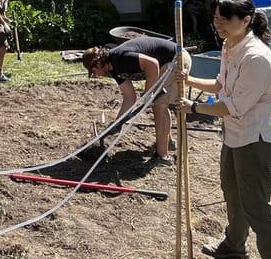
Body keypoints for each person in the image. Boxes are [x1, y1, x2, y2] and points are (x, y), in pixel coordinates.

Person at [178, 0, 271, 259]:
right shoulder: (231, 47)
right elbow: (220, 86)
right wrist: (190, 80)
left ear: (247, 20)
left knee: (258, 208)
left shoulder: (256, 57)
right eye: (216, 19)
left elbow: (233, 106)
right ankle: (234, 244)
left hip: (257, 140)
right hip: (235, 136)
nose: (220, 25)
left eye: (226, 19)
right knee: (232, 191)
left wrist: (194, 108)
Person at [81, 35, 191, 164]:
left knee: (159, 106)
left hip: (175, 58)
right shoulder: (114, 69)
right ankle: (168, 143)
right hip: (164, 63)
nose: (96, 75)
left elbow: (152, 64)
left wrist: (148, 93)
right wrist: (118, 123)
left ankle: (163, 156)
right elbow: (129, 97)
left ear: (98, 63)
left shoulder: (120, 58)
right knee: (158, 105)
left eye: (93, 71)